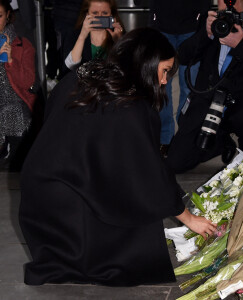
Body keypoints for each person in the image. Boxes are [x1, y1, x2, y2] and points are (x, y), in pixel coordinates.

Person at [18, 28, 217, 286]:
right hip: (67, 211)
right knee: (139, 213)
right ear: (146, 63)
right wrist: (188, 218)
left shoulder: (88, 72)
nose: (165, 81)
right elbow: (149, 171)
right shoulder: (130, 104)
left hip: (39, 199)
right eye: (165, 70)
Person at [166, 0, 243, 174]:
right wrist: (205, 34)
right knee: (176, 162)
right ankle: (220, 143)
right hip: (208, 95)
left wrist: (240, 45)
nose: (226, 18)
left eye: (232, 13)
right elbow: (183, 56)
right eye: (223, 12)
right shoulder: (213, 27)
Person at [150, 0, 211, 157]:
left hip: (192, 27)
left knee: (189, 87)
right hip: (161, 27)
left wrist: (200, 14)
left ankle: (185, 138)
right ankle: (165, 140)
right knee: (162, 85)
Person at [0, 0, 36, 170]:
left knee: (12, 112)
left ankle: (13, 158)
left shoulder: (23, 45)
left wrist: (11, 61)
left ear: (8, 16)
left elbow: (28, 82)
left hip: (15, 104)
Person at [63, 0, 124, 75]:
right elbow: (70, 67)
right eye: (95, 13)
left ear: (112, 14)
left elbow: (126, 66)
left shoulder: (119, 34)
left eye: (105, 13)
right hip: (83, 84)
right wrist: (82, 36)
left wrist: (119, 42)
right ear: (86, 14)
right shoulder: (74, 35)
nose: (100, 16)